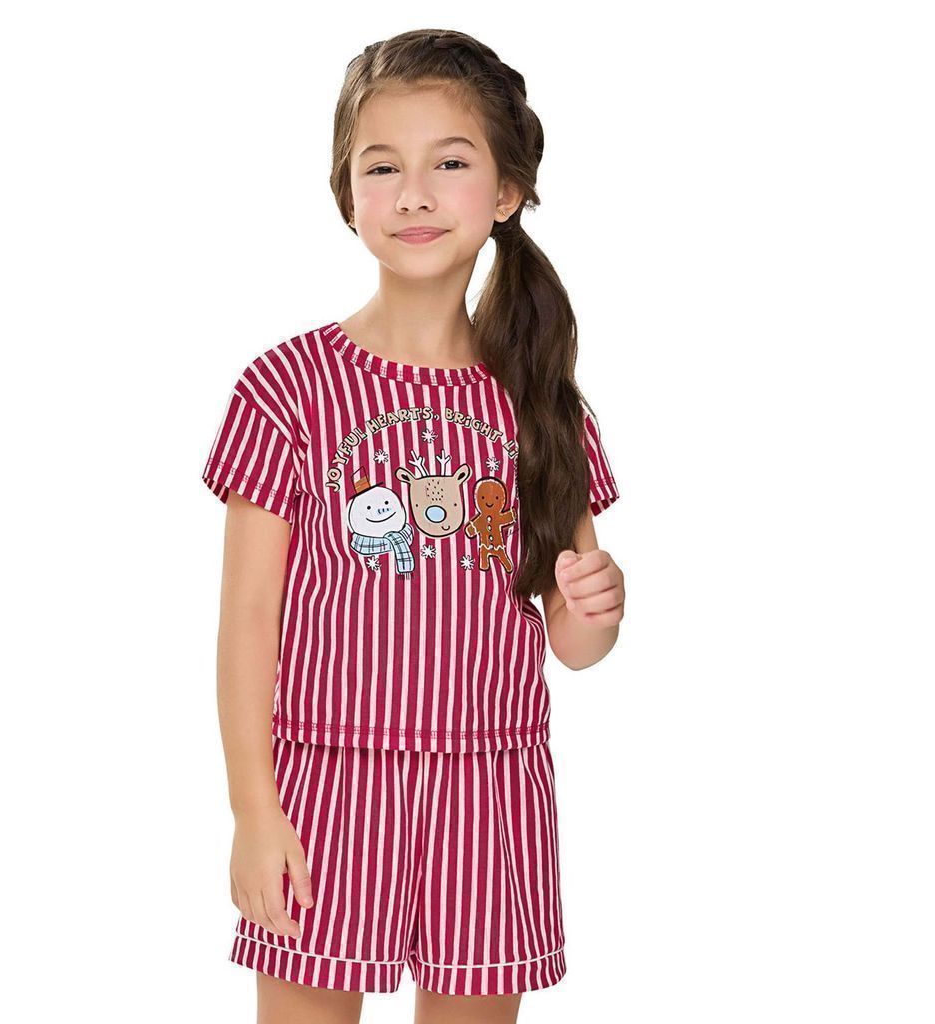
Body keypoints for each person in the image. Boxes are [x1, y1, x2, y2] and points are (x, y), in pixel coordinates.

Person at [201, 28, 625, 1024]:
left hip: (491, 791)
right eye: (382, 166)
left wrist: (596, 608)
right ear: (347, 193)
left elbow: (573, 642)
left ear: (507, 191)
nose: (414, 195)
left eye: (451, 163)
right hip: (325, 784)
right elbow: (249, 619)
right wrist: (254, 809)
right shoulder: (287, 388)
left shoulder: (541, 404)